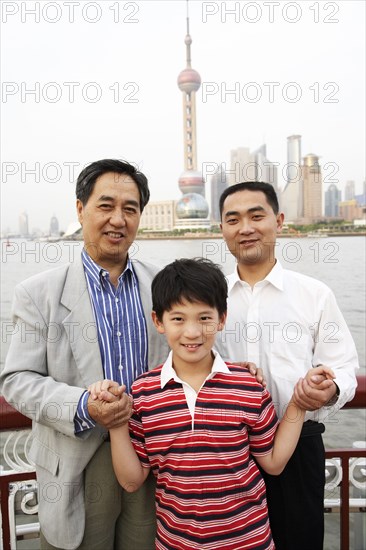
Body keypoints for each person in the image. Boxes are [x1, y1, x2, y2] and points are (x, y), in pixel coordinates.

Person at [89, 258, 335, 550]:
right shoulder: (144, 392)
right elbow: (132, 481)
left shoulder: (247, 384)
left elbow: (274, 462)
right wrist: (116, 423)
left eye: (204, 318)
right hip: (176, 544)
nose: (192, 332)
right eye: (178, 319)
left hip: (250, 542)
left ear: (221, 319)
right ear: (158, 321)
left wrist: (299, 402)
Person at [0, 159, 170, 550]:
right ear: (80, 210)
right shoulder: (38, 293)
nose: (118, 219)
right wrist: (83, 406)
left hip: (152, 460)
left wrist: (234, 368)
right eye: (105, 205)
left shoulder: (164, 283)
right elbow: (17, 381)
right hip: (78, 458)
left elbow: (192, 353)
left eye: (130, 208)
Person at [215, 181, 359, 550]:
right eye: (233, 219)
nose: (245, 227)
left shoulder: (313, 294)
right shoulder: (209, 300)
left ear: (278, 221)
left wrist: (329, 389)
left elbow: (343, 366)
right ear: (222, 229)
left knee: (300, 541)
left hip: (298, 446)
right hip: (229, 449)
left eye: (256, 215)